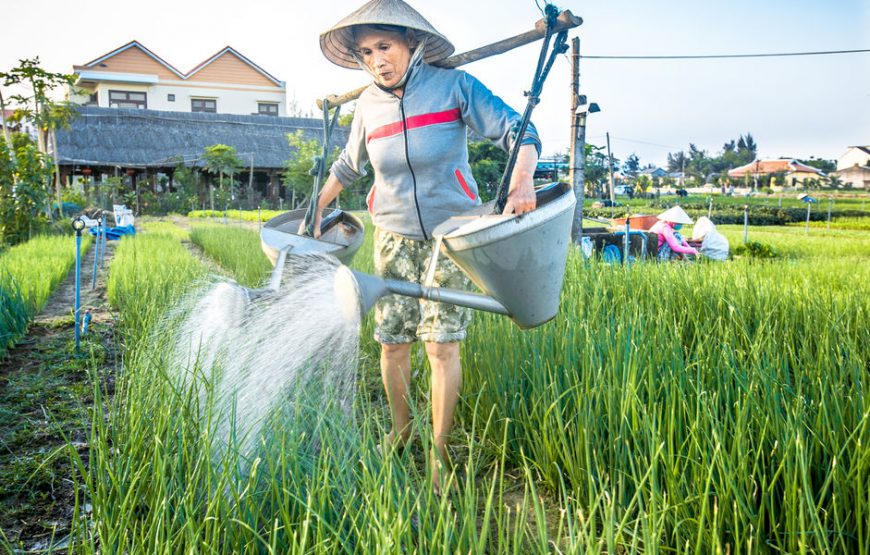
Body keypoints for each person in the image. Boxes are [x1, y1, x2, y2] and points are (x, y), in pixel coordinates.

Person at [307, 0, 541, 493]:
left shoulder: (454, 86)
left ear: (412, 44)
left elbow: (520, 132)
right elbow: (349, 166)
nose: (376, 60)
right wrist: (315, 210)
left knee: (441, 345)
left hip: (453, 234)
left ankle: (438, 450)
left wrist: (522, 180)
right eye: (366, 52)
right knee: (392, 346)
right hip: (391, 235)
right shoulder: (367, 105)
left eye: (384, 47)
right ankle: (401, 428)